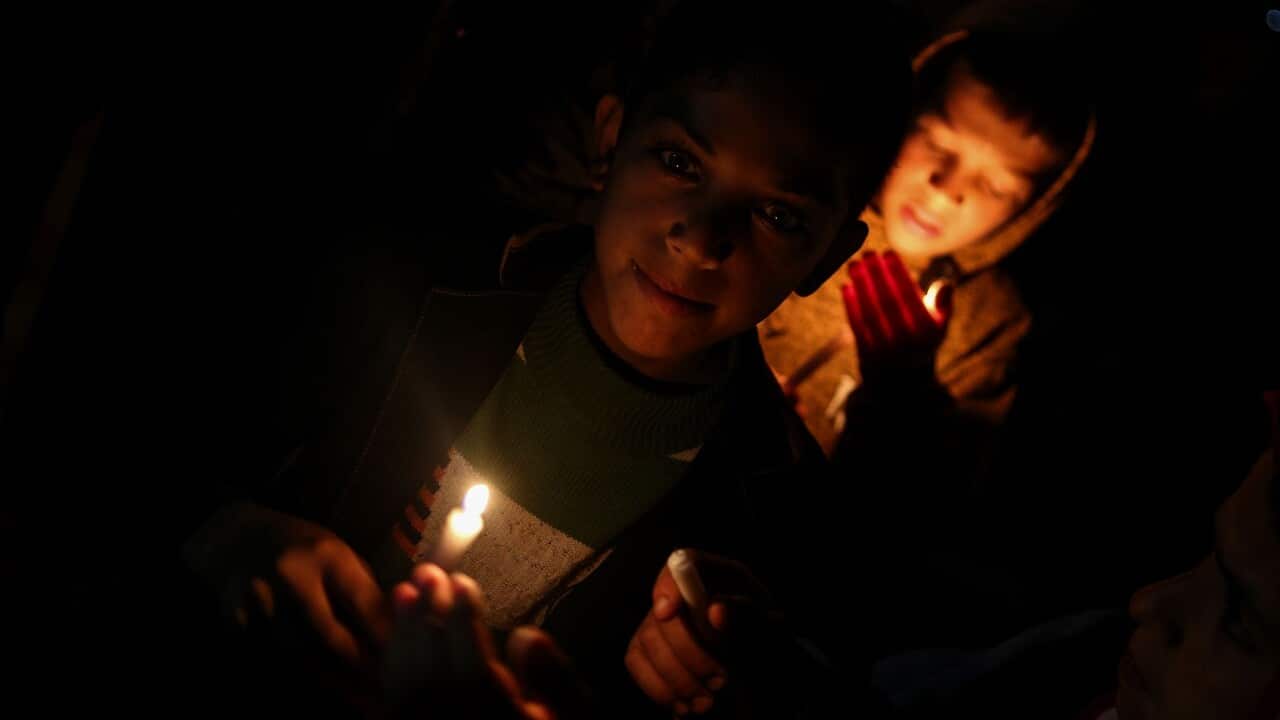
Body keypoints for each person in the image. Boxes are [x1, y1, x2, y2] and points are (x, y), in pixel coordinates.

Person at [179, 1, 912, 715]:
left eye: (778, 215)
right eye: (679, 161)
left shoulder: (772, 521)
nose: (701, 239)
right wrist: (220, 528)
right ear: (610, 140)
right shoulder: (402, 278)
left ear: (829, 257)